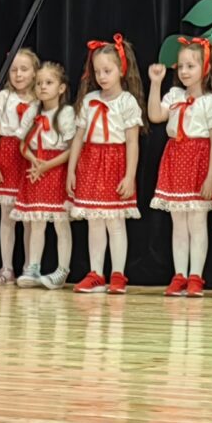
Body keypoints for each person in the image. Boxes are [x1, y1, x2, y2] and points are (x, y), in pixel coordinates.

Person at [148, 38, 212, 298]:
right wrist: (156, 83)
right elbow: (155, 116)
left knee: (197, 221)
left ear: (205, 68)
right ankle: (179, 275)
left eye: (190, 66)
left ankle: (196, 276)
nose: (184, 71)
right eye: (180, 66)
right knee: (178, 223)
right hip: (175, 159)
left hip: (199, 162)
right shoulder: (174, 96)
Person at [67, 36, 143, 294]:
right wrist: (71, 171)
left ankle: (118, 274)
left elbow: (132, 142)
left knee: (115, 221)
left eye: (107, 71)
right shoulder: (89, 100)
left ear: (121, 70)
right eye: (97, 71)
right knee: (94, 221)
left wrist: (129, 176)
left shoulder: (127, 102)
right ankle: (96, 273)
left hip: (115, 163)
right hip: (90, 162)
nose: (101, 76)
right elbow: (78, 138)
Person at [11, 64, 78, 288]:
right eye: (39, 83)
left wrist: (47, 165)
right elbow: (22, 143)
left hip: (56, 169)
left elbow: (72, 148)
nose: (42, 87)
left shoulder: (66, 113)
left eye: (48, 83)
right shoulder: (33, 110)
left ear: (61, 88)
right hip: (35, 169)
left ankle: (62, 270)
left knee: (60, 222)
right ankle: (33, 267)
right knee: (36, 221)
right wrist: (34, 160)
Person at [0, 50, 43, 284]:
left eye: (24, 69)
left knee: (28, 217)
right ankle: (6, 268)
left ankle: (29, 267)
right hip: (6, 156)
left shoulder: (39, 99)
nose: (18, 74)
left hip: (29, 157)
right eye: (14, 70)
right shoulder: (3, 96)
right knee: (7, 216)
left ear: (35, 72)